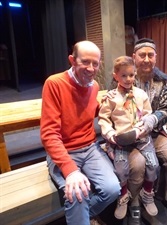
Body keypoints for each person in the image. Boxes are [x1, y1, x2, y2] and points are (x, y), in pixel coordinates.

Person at [40, 40, 120, 225]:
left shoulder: (94, 87)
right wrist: (70, 171)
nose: (91, 68)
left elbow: (88, 112)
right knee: (78, 193)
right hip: (64, 150)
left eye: (95, 63)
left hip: (90, 147)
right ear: (72, 60)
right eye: (85, 62)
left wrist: (106, 106)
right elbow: (49, 134)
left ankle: (81, 217)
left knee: (112, 189)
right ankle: (81, 218)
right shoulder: (54, 83)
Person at [109, 38, 167, 224]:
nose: (146, 59)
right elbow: (111, 111)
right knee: (138, 165)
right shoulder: (118, 80)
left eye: (150, 55)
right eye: (142, 55)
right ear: (134, 57)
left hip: (154, 133)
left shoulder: (162, 80)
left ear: (155, 57)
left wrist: (153, 118)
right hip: (129, 135)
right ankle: (134, 202)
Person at [99, 56, 159, 220]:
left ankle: (147, 193)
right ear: (115, 76)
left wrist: (142, 128)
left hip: (141, 137)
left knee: (153, 164)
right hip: (121, 140)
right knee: (120, 169)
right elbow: (103, 119)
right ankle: (123, 196)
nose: (128, 79)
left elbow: (148, 114)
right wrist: (110, 135)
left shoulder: (141, 95)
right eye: (124, 75)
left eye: (131, 75)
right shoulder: (111, 97)